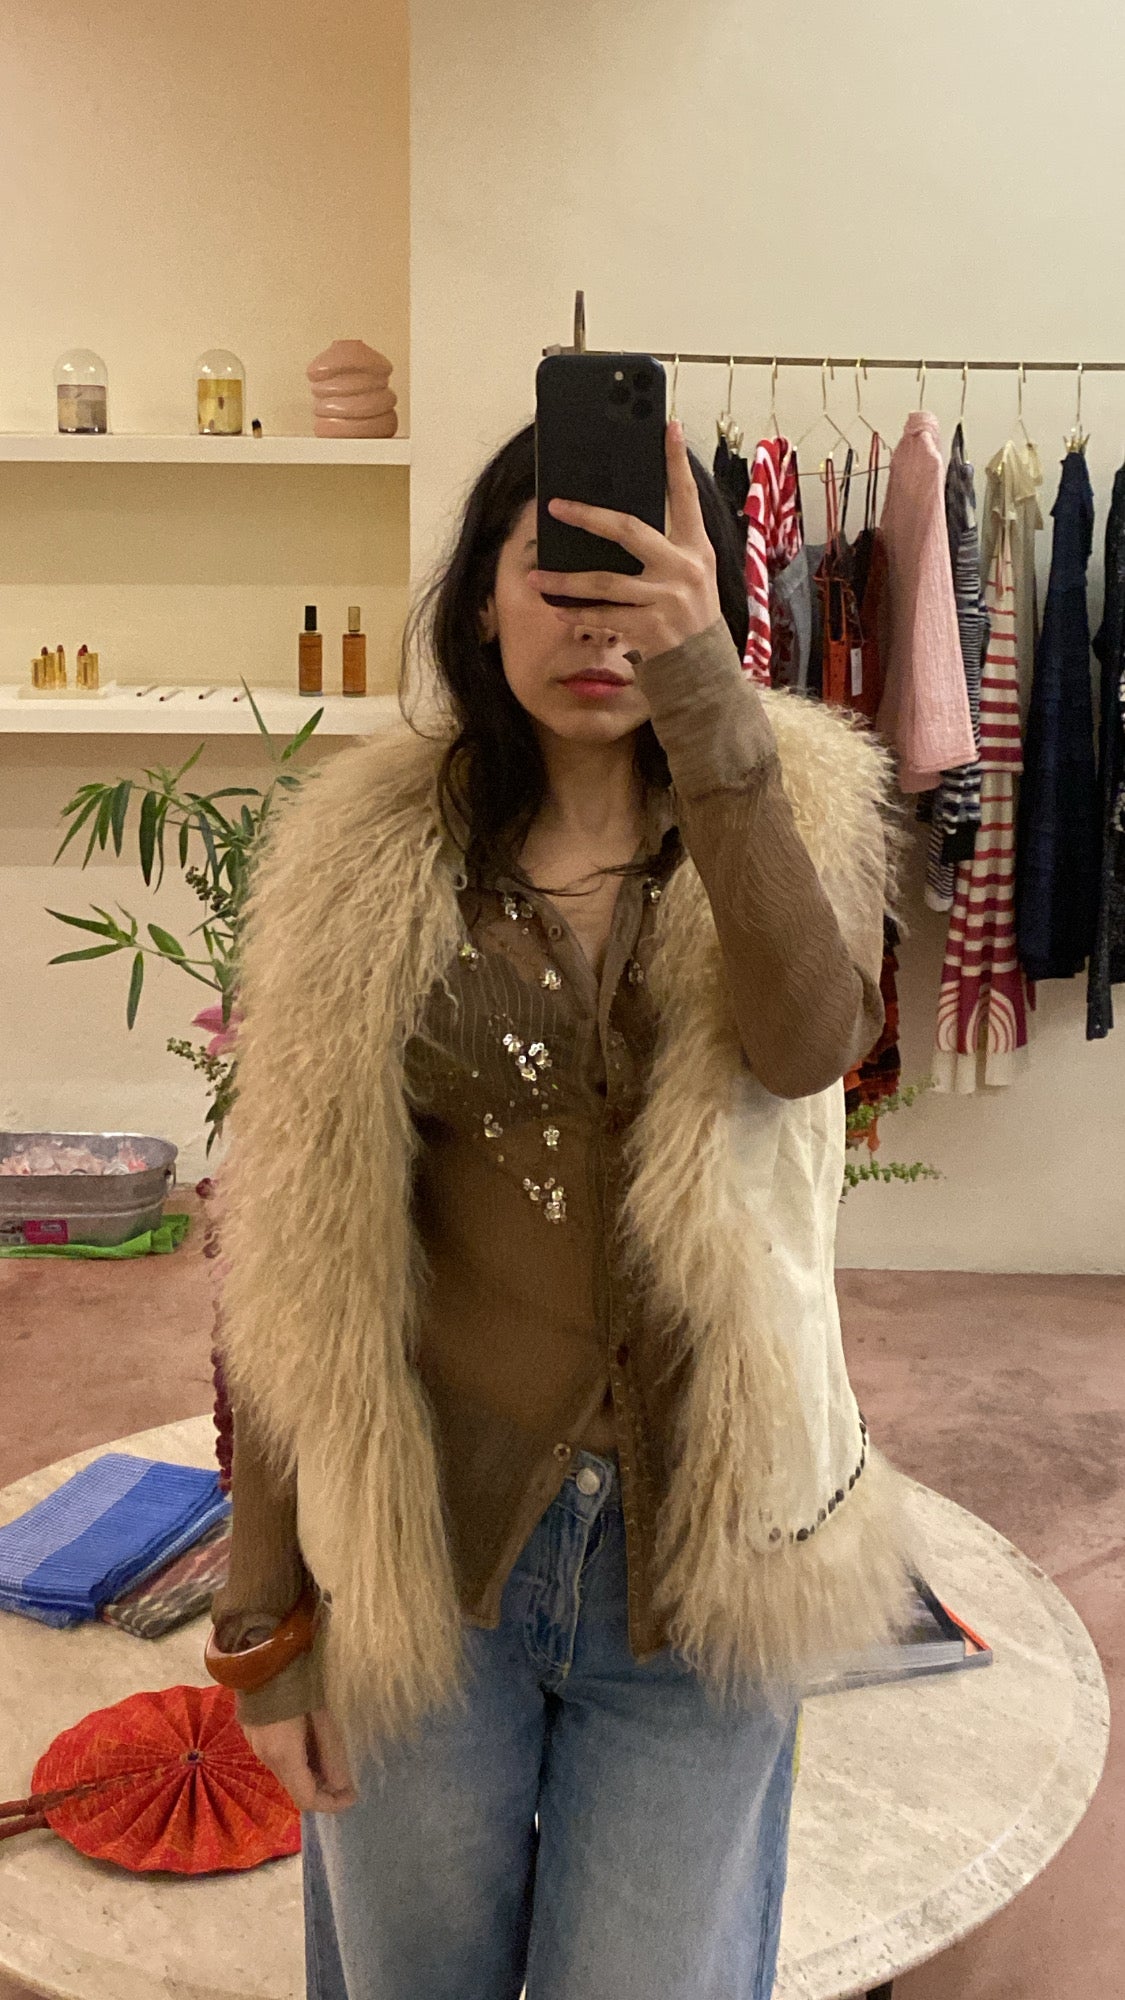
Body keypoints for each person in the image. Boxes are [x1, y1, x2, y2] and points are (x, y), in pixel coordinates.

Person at [204, 415, 918, 2000]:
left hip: (706, 1557)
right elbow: (295, 1263)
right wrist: (263, 1620)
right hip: (429, 1559)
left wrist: (711, 705)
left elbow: (809, 1042)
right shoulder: (363, 860)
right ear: (480, 598)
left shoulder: (784, 797)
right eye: (558, 571)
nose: (600, 621)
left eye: (639, 575)